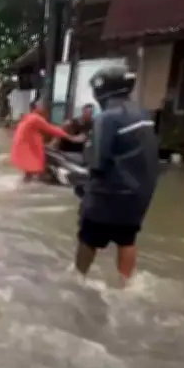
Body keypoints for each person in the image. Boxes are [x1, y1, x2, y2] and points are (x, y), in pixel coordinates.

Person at [75, 66, 159, 288]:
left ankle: (78, 279)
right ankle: (125, 284)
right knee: (127, 238)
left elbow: (98, 162)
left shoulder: (107, 118)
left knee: (89, 236)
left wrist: (84, 188)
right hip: (140, 193)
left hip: (111, 193)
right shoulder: (143, 114)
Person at [10, 102, 83, 182]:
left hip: (24, 146)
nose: (43, 106)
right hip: (28, 148)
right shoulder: (36, 118)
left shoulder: (29, 117)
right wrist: (71, 138)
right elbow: (51, 129)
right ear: (35, 108)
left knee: (31, 170)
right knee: (35, 169)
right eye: (41, 105)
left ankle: (27, 185)